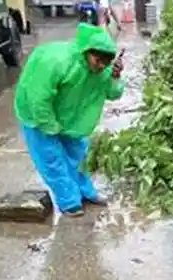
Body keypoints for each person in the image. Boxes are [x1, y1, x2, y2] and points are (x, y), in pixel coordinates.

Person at [14, 23, 125, 217]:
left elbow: (113, 93)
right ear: (86, 51)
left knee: (79, 156)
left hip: (71, 118)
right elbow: (38, 98)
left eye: (106, 64)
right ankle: (69, 202)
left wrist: (115, 76)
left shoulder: (102, 68)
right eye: (98, 60)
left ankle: (85, 193)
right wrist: (49, 126)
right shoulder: (57, 61)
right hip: (37, 115)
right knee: (52, 159)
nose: (101, 67)